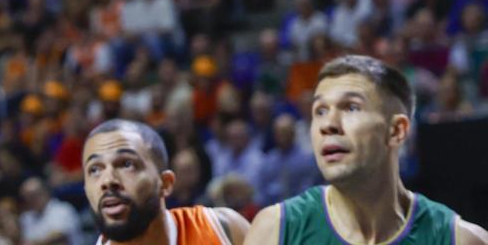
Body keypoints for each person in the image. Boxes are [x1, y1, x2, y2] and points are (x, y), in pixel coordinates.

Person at [244, 54, 488, 245]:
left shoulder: (460, 239)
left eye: (351, 107)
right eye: (320, 111)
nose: (328, 125)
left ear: (396, 131)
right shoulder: (275, 230)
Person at [83, 119, 249, 245]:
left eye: (127, 164)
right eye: (95, 169)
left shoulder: (221, 228)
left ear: (166, 183)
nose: (108, 180)